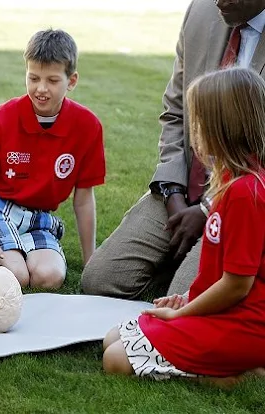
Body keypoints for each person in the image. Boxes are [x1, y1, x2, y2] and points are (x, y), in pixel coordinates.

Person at [81, 0, 265, 299]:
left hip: (247, 198)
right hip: (185, 185)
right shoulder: (203, 10)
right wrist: (172, 192)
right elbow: (175, 111)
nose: (218, 1)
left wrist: (207, 208)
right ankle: (180, 262)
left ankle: (196, 273)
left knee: (188, 297)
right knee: (101, 280)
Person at [102, 67, 265, 385]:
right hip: (220, 314)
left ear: (223, 128)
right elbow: (217, 270)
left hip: (243, 324)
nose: (193, 133)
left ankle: (242, 375)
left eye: (198, 124)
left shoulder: (248, 194)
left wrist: (181, 315)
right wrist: (187, 299)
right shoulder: (230, 181)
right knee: (112, 337)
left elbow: (237, 285)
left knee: (115, 359)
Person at [0, 29, 106, 289]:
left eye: (52, 80)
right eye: (33, 78)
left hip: (39, 218)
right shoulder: (2, 120)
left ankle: (26, 252)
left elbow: (83, 200)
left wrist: (90, 258)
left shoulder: (88, 126)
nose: (41, 88)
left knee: (50, 277)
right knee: (16, 275)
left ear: (72, 81)